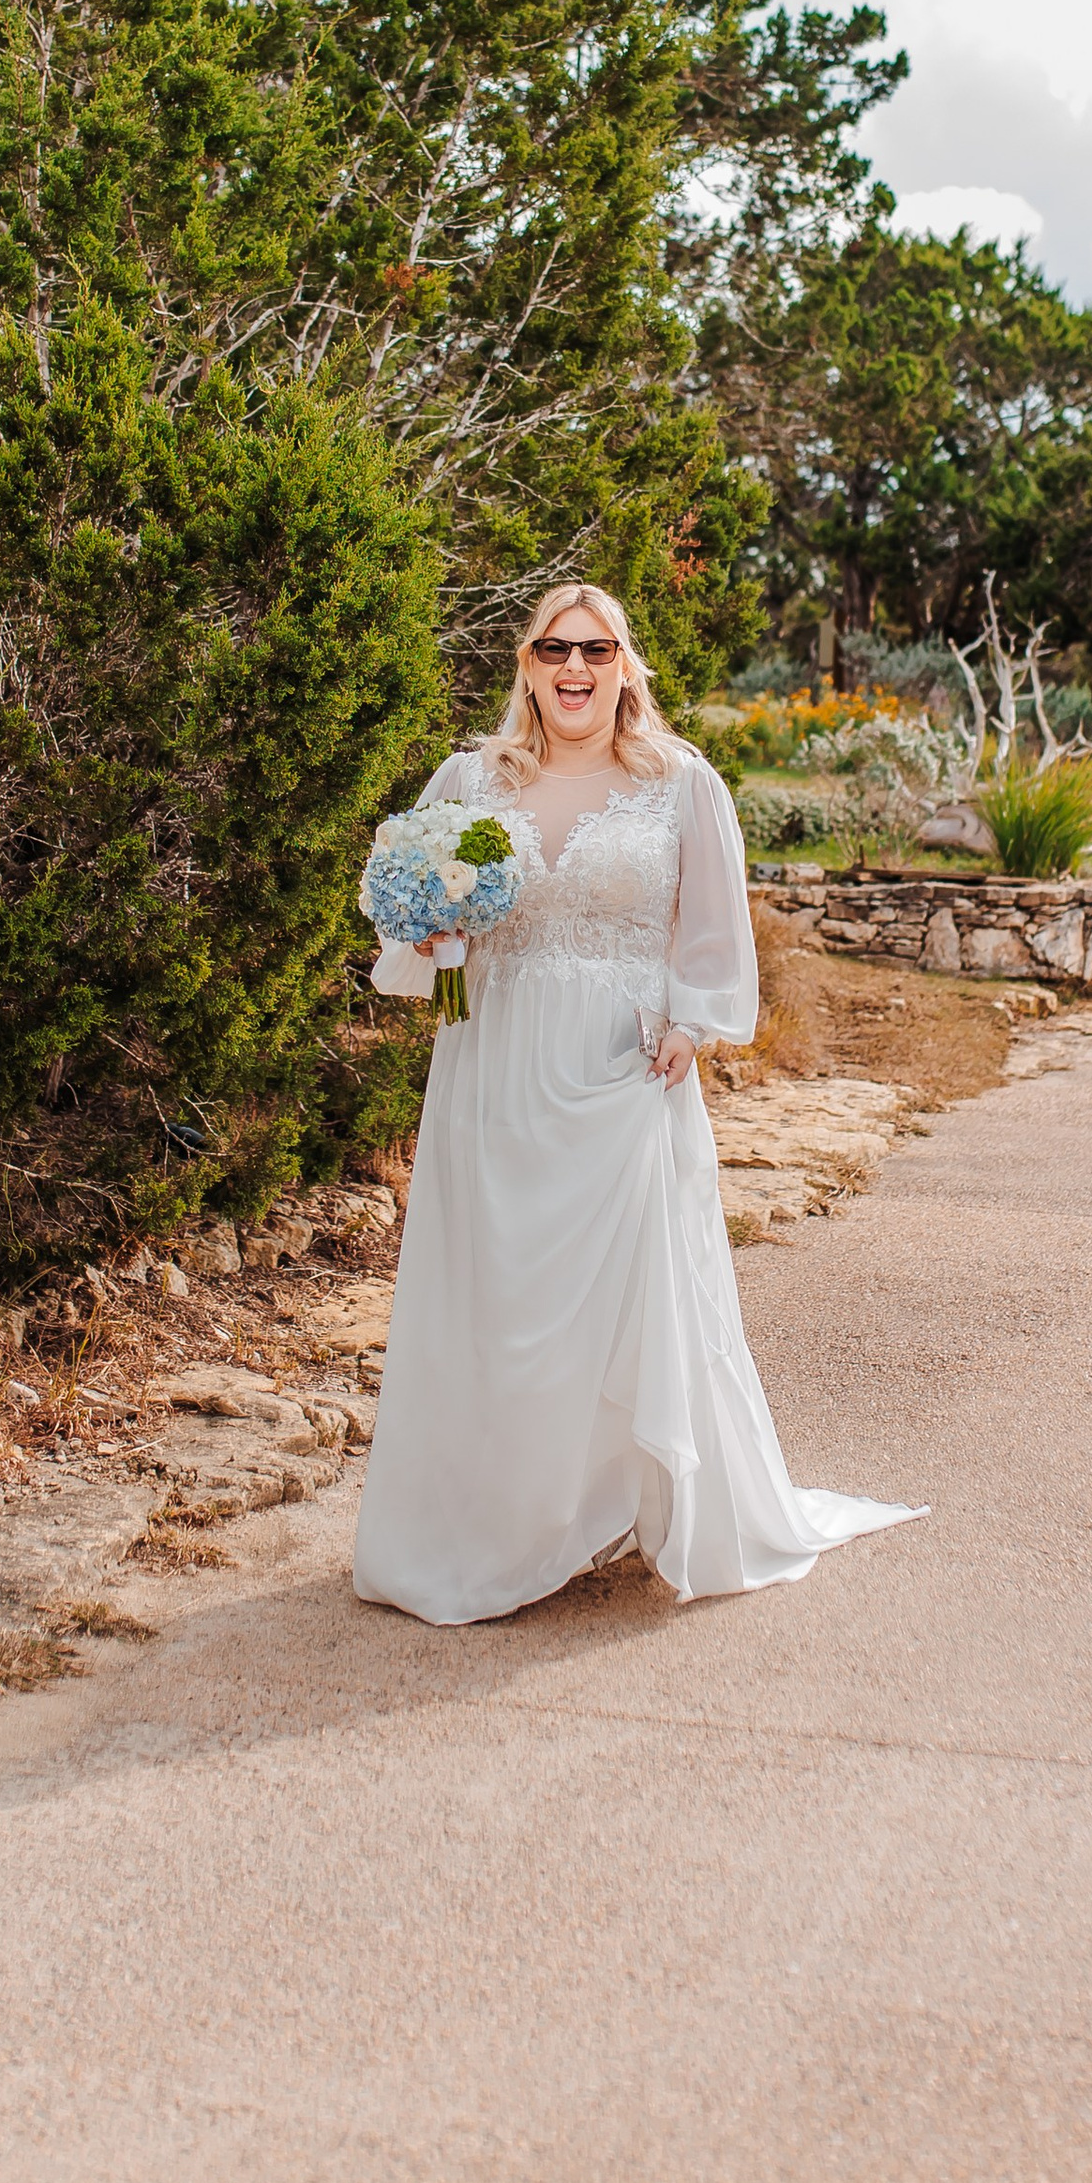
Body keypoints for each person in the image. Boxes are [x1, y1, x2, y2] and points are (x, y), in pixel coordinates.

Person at [351, 580, 922, 1626]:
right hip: (495, 1069)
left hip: (622, 1074)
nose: (575, 670)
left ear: (625, 666)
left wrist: (692, 1024)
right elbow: (414, 940)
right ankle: (491, 1526)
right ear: (525, 664)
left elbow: (710, 936)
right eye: (554, 650)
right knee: (494, 1296)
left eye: (596, 650)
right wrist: (437, 940)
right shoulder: (468, 779)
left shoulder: (678, 782)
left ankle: (607, 1503)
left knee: (623, 1301)